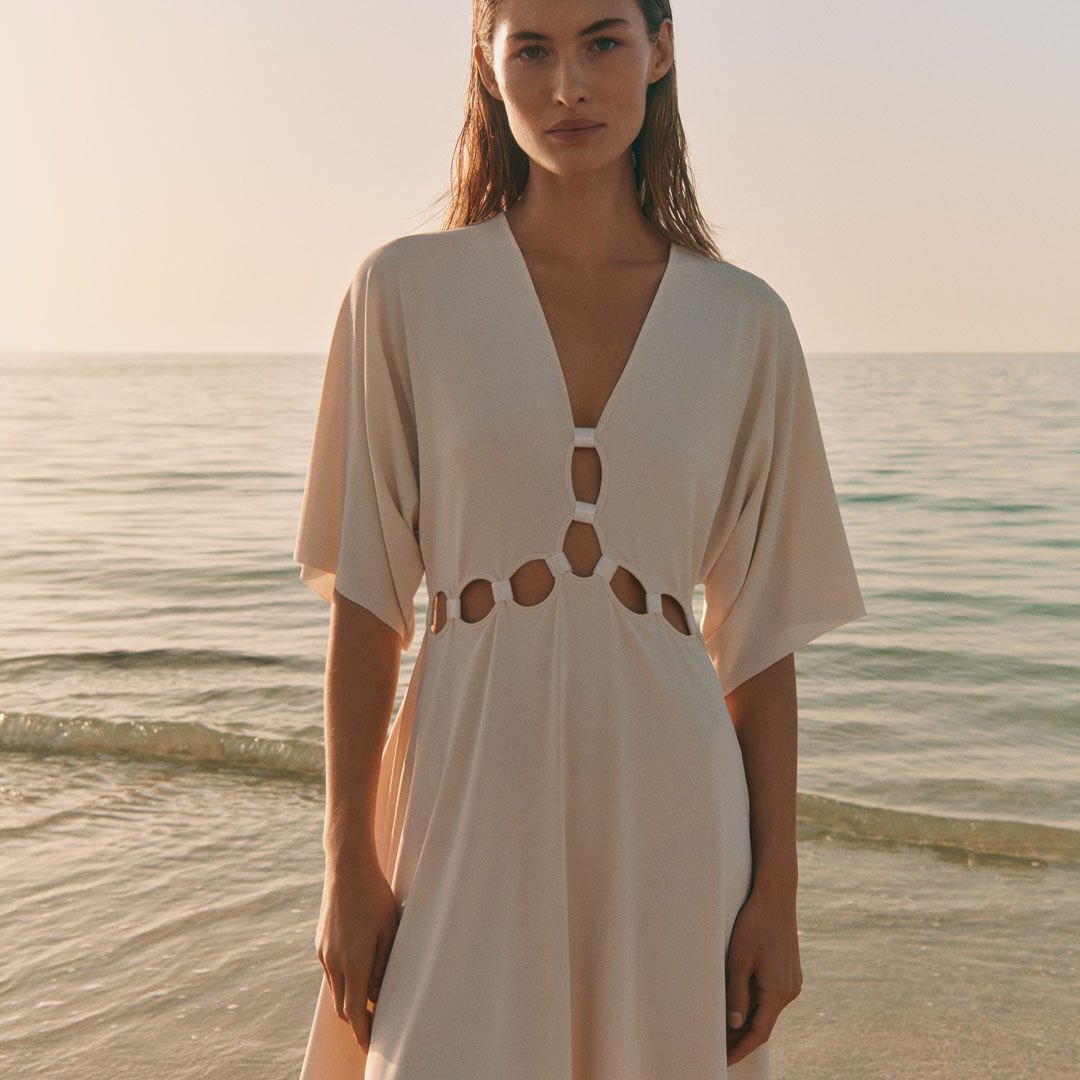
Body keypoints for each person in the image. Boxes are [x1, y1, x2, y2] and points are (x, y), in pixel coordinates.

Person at [292, 1, 867, 1077]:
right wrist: (345, 869)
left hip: (673, 808)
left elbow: (759, 646)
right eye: (534, 49)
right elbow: (367, 608)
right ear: (486, 60)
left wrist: (776, 897)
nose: (568, 87)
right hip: (464, 788)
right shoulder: (403, 292)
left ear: (659, 51)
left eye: (603, 42)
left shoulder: (746, 325)